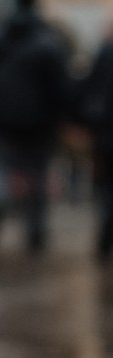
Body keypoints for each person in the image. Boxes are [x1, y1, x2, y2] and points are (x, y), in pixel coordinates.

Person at [0, 0, 74, 252]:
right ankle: (35, 229)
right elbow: (59, 86)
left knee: (3, 166)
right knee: (37, 172)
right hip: (39, 121)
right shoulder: (48, 41)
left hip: (3, 116)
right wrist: (64, 114)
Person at [79, 21, 113, 260]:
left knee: (105, 187)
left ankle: (105, 231)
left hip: (106, 134)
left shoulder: (105, 53)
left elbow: (90, 93)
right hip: (105, 134)